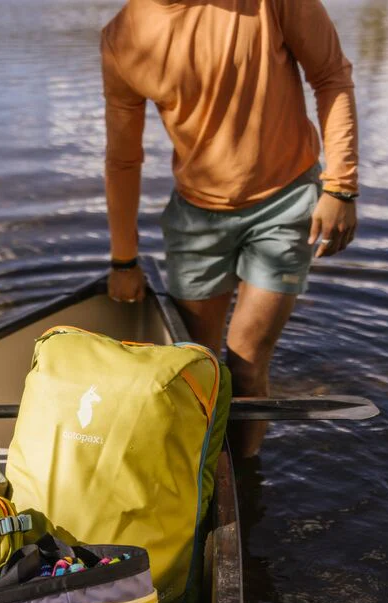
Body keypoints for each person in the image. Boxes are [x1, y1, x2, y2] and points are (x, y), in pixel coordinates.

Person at [101, 0, 359, 457]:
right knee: (196, 368)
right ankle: (202, 479)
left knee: (245, 360)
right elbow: (124, 158)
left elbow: (331, 76)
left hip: (284, 202)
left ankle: (243, 477)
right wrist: (124, 259)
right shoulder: (122, 38)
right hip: (197, 216)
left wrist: (339, 187)